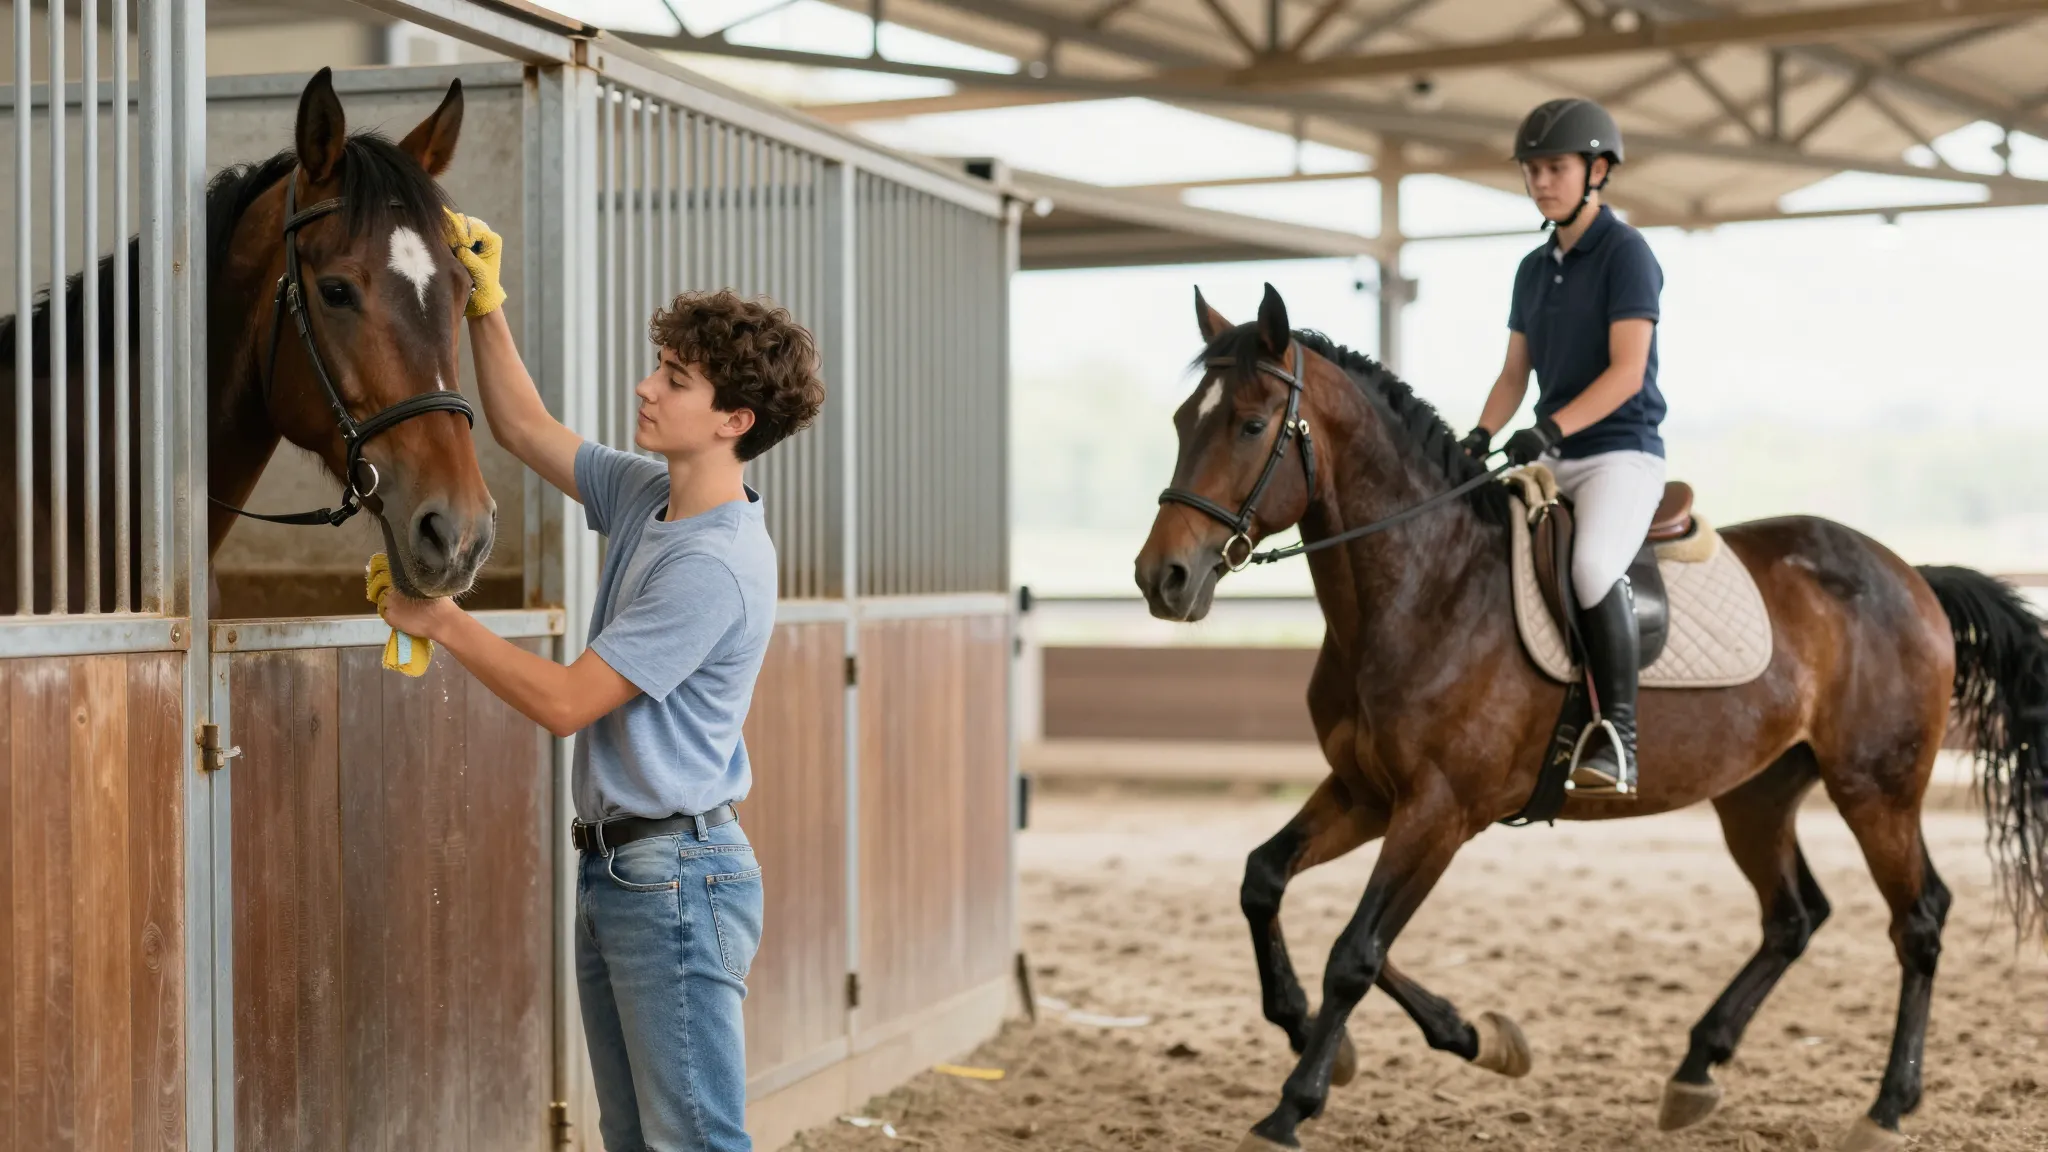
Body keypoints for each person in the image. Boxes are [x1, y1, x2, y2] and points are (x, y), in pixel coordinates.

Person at [381, 211, 826, 1150]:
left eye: (676, 377)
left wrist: (444, 619)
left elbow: (566, 701)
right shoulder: (646, 493)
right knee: (638, 1138)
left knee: (693, 1141)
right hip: (624, 868)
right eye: (658, 365)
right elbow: (524, 426)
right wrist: (484, 305)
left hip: (671, 877)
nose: (647, 385)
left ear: (735, 421)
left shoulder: (713, 565)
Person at [1459, 97, 1666, 795]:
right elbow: (1515, 372)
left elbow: (1626, 372)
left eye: (1555, 167)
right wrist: (1480, 435)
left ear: (1597, 170)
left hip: (1619, 453)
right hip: (1551, 454)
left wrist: (1549, 429)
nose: (1541, 181)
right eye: (1533, 170)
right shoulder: (1529, 268)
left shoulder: (1628, 254)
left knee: (1591, 567)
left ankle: (1618, 740)